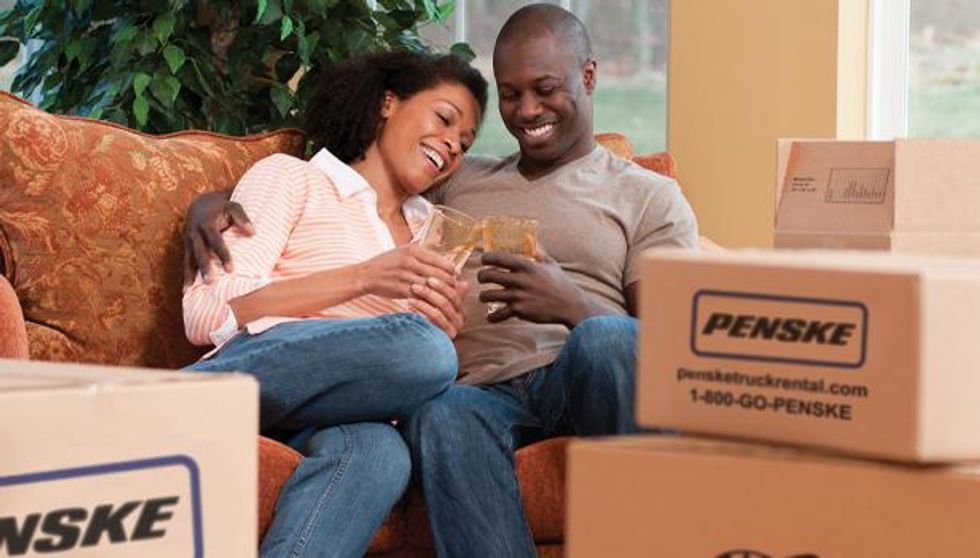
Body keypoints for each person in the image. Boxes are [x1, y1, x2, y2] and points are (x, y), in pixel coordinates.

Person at [184, 5, 698, 557]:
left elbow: (670, 342)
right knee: (438, 397)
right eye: (510, 94)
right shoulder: (450, 189)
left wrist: (570, 304)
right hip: (467, 388)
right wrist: (210, 201)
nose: (527, 111)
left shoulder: (647, 195)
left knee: (602, 341)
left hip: (569, 374)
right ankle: (188, 396)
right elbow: (358, 181)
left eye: (545, 88)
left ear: (589, 76)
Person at [182, 50, 487, 558]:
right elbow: (206, 313)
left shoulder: (432, 230)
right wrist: (364, 278)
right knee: (425, 352)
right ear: (389, 103)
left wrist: (442, 323)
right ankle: (178, 399)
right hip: (255, 371)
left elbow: (402, 358)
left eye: (464, 142)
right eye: (444, 118)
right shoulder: (293, 178)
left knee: (382, 453)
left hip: (338, 413)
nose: (453, 145)